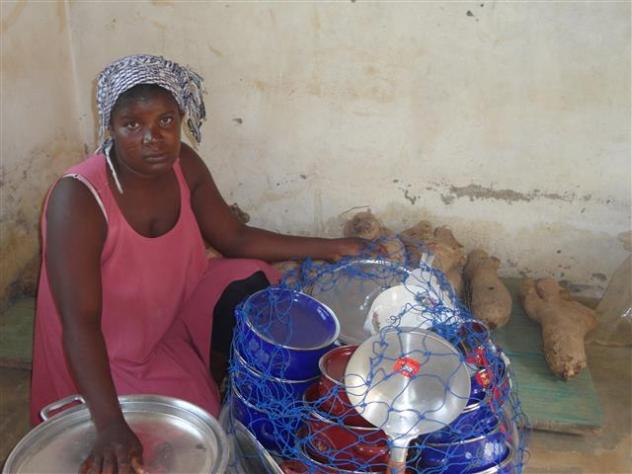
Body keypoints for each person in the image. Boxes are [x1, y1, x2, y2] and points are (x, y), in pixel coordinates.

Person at [30, 54, 365, 474]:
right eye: (132, 124)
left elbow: (233, 237)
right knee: (176, 444)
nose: (152, 138)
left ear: (181, 119)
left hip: (167, 311)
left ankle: (211, 374)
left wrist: (332, 248)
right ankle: (150, 395)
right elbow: (79, 325)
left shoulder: (183, 164)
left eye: (165, 121)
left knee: (251, 282)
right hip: (105, 346)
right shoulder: (78, 198)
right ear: (110, 127)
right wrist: (111, 424)